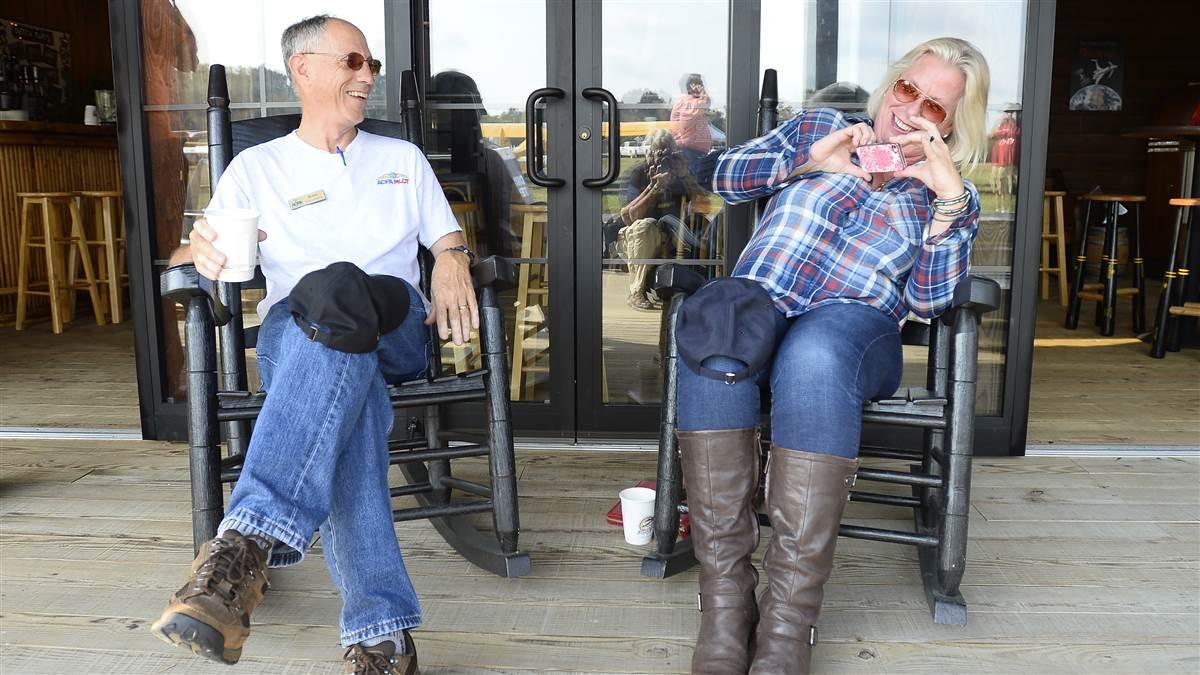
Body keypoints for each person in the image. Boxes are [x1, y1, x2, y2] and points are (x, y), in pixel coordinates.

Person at [150, 15, 477, 674]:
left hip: (394, 321)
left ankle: (241, 550)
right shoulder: (256, 168)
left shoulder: (401, 159)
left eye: (371, 65)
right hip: (296, 334)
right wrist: (197, 250)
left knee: (342, 288)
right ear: (305, 70)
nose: (366, 76)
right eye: (353, 61)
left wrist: (452, 257)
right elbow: (195, 254)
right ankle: (382, 637)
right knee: (347, 391)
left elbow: (446, 236)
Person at [674, 37, 990, 674]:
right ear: (891, 85)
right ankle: (726, 609)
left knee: (813, 356)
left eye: (936, 107)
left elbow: (931, 302)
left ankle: (788, 627)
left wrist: (948, 200)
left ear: (952, 125)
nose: (913, 110)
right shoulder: (821, 128)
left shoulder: (947, 192)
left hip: (854, 329)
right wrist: (806, 164)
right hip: (760, 309)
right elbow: (725, 179)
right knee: (716, 331)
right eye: (909, 90)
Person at [618, 129, 714, 310]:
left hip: (676, 234)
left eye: (667, 153)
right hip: (641, 235)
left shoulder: (680, 172)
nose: (662, 159)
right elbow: (631, 217)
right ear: (647, 152)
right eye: (657, 152)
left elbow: (705, 205)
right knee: (644, 226)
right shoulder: (638, 173)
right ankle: (636, 291)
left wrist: (686, 177)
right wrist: (654, 189)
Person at [671, 73, 714, 171]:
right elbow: (706, 103)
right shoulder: (688, 102)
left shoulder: (685, 102)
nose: (702, 87)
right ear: (691, 86)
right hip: (689, 151)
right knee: (694, 181)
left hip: (692, 150)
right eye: (700, 84)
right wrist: (703, 94)